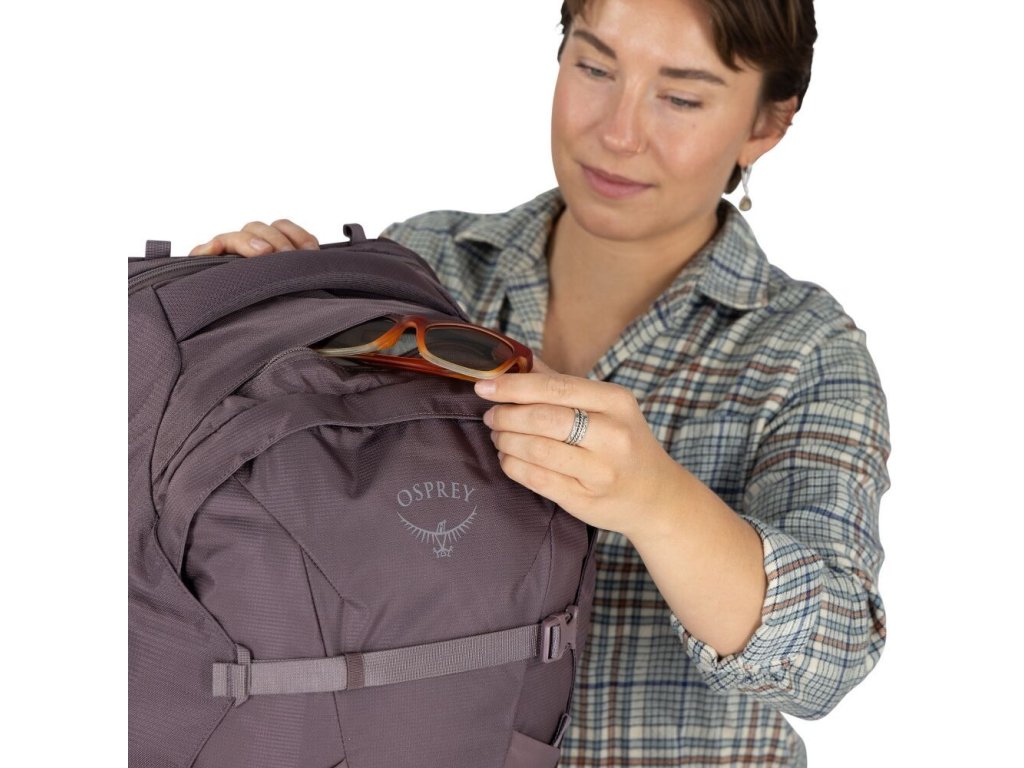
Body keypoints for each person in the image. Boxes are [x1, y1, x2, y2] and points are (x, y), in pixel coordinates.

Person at [189, 0, 890, 764]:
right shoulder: (427, 267)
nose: (617, 132)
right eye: (594, 67)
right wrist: (246, 321)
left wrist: (656, 500)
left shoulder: (803, 350)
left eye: (681, 97)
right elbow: (286, 522)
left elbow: (830, 657)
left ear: (766, 124)